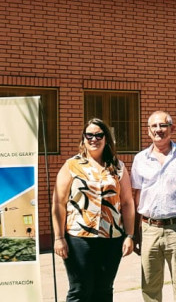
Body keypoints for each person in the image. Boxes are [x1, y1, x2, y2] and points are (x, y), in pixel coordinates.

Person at [52, 118, 135, 302]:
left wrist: (129, 235)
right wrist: (59, 238)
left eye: (99, 135)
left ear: (106, 139)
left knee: (104, 290)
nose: (94, 139)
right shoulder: (71, 165)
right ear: (83, 138)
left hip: (111, 238)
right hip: (78, 238)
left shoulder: (117, 166)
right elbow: (58, 203)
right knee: (80, 289)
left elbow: (127, 202)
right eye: (89, 135)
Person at [132, 111, 176, 302]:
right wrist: (135, 233)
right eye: (154, 126)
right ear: (148, 131)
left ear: (172, 129)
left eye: (163, 126)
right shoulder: (140, 158)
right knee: (150, 283)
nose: (159, 130)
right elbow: (136, 196)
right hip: (149, 228)